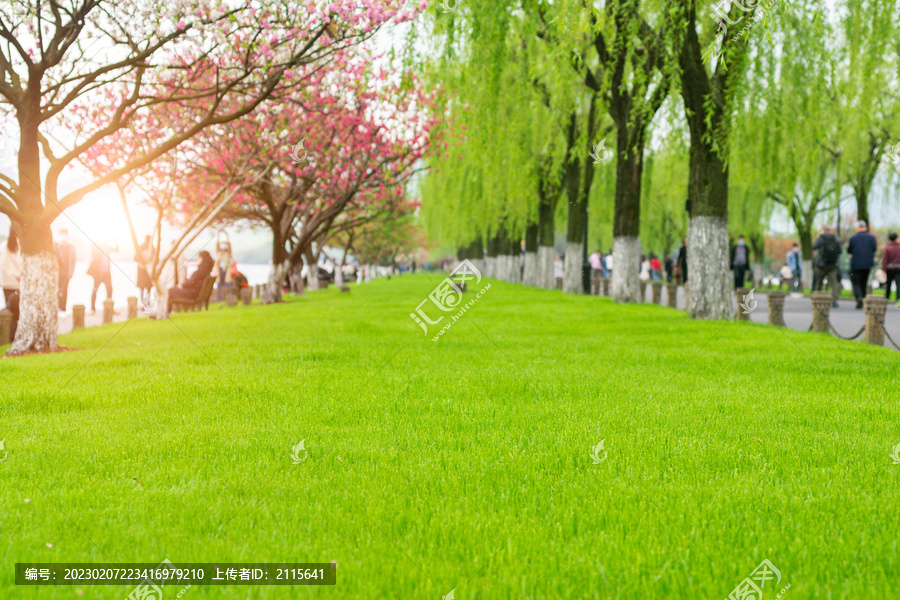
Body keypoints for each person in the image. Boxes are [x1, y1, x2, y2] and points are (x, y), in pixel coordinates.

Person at [846, 220, 877, 309]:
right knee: (863, 282)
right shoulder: (872, 238)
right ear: (865, 228)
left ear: (858, 228)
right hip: (867, 264)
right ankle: (863, 299)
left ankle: (859, 297)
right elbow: (874, 248)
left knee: (856, 282)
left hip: (856, 264)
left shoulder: (853, 238)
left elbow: (849, 250)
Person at [812, 225, 842, 308]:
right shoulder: (835, 238)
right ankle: (835, 300)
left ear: (823, 230)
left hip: (821, 264)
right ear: (830, 230)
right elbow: (840, 250)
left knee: (818, 281)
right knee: (834, 283)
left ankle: (817, 299)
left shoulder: (821, 238)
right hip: (833, 264)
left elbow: (814, 247)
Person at [1, 225, 22, 340]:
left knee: (11, 311)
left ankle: (11, 336)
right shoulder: (13, 245)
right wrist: (17, 276)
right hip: (15, 283)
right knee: (16, 312)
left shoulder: (5, 245)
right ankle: (13, 336)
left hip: (7, 284)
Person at [87, 243, 114, 314]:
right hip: (98, 274)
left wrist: (114, 240)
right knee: (95, 290)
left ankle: (110, 308)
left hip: (107, 274)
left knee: (110, 290)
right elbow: (91, 247)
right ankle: (93, 309)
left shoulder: (108, 248)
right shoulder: (97, 248)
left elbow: (116, 249)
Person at [55, 229, 76, 312]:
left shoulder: (70, 247)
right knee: (56, 291)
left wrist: (70, 273)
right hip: (56, 273)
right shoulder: (56, 246)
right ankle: (57, 307)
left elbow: (73, 261)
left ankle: (63, 308)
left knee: (64, 291)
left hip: (66, 274)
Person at [882, 232, 900, 305]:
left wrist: (883, 269)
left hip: (889, 269)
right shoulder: (899, 248)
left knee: (888, 284)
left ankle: (887, 299)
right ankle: (898, 300)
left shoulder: (887, 248)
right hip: (898, 269)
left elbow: (885, 259)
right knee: (898, 285)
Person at [136, 235, 153, 305]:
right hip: (146, 270)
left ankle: (144, 302)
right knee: (147, 287)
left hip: (143, 269)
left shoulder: (141, 247)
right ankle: (147, 302)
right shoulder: (152, 248)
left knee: (142, 287)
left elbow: (135, 257)